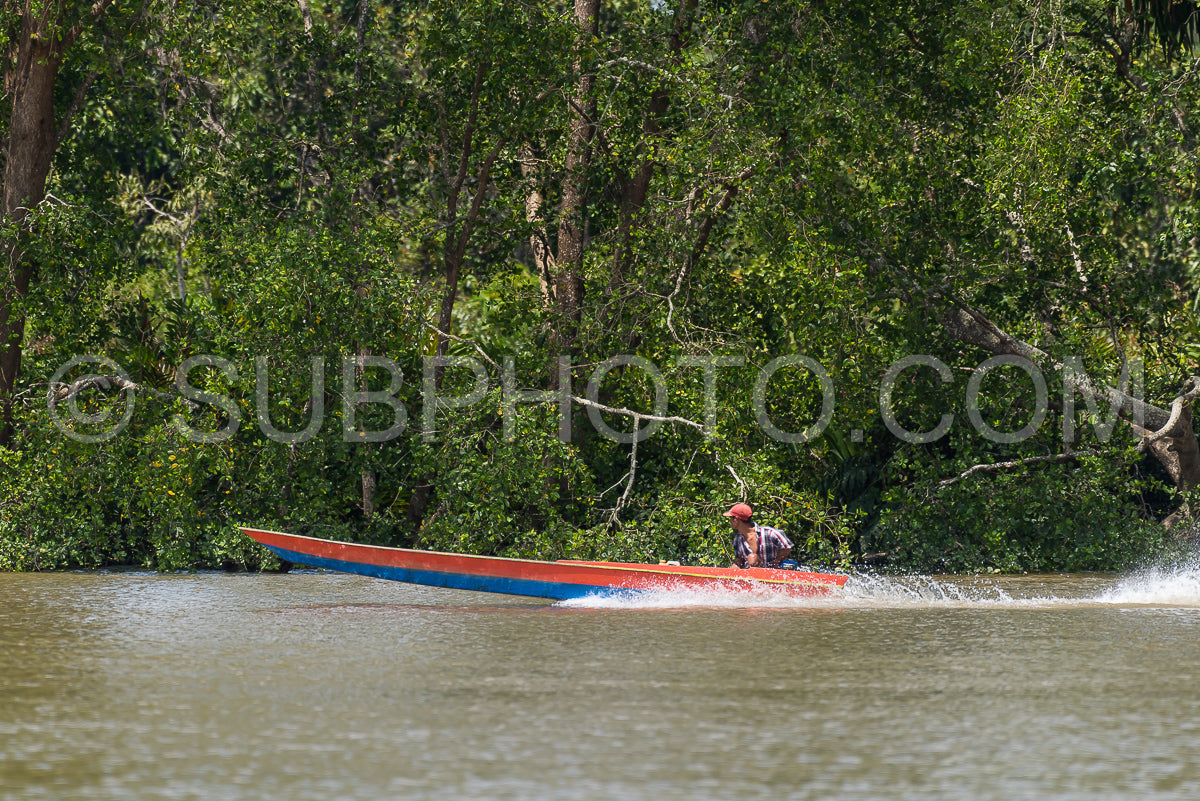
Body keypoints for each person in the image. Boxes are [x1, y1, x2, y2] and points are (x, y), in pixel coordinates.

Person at [724, 503, 793, 569]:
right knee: (733, 568)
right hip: (750, 575)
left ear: (736, 520)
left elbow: (787, 547)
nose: (730, 521)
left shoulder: (770, 532)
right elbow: (739, 563)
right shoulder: (737, 539)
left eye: (731, 518)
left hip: (770, 573)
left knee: (752, 558)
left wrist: (776, 564)